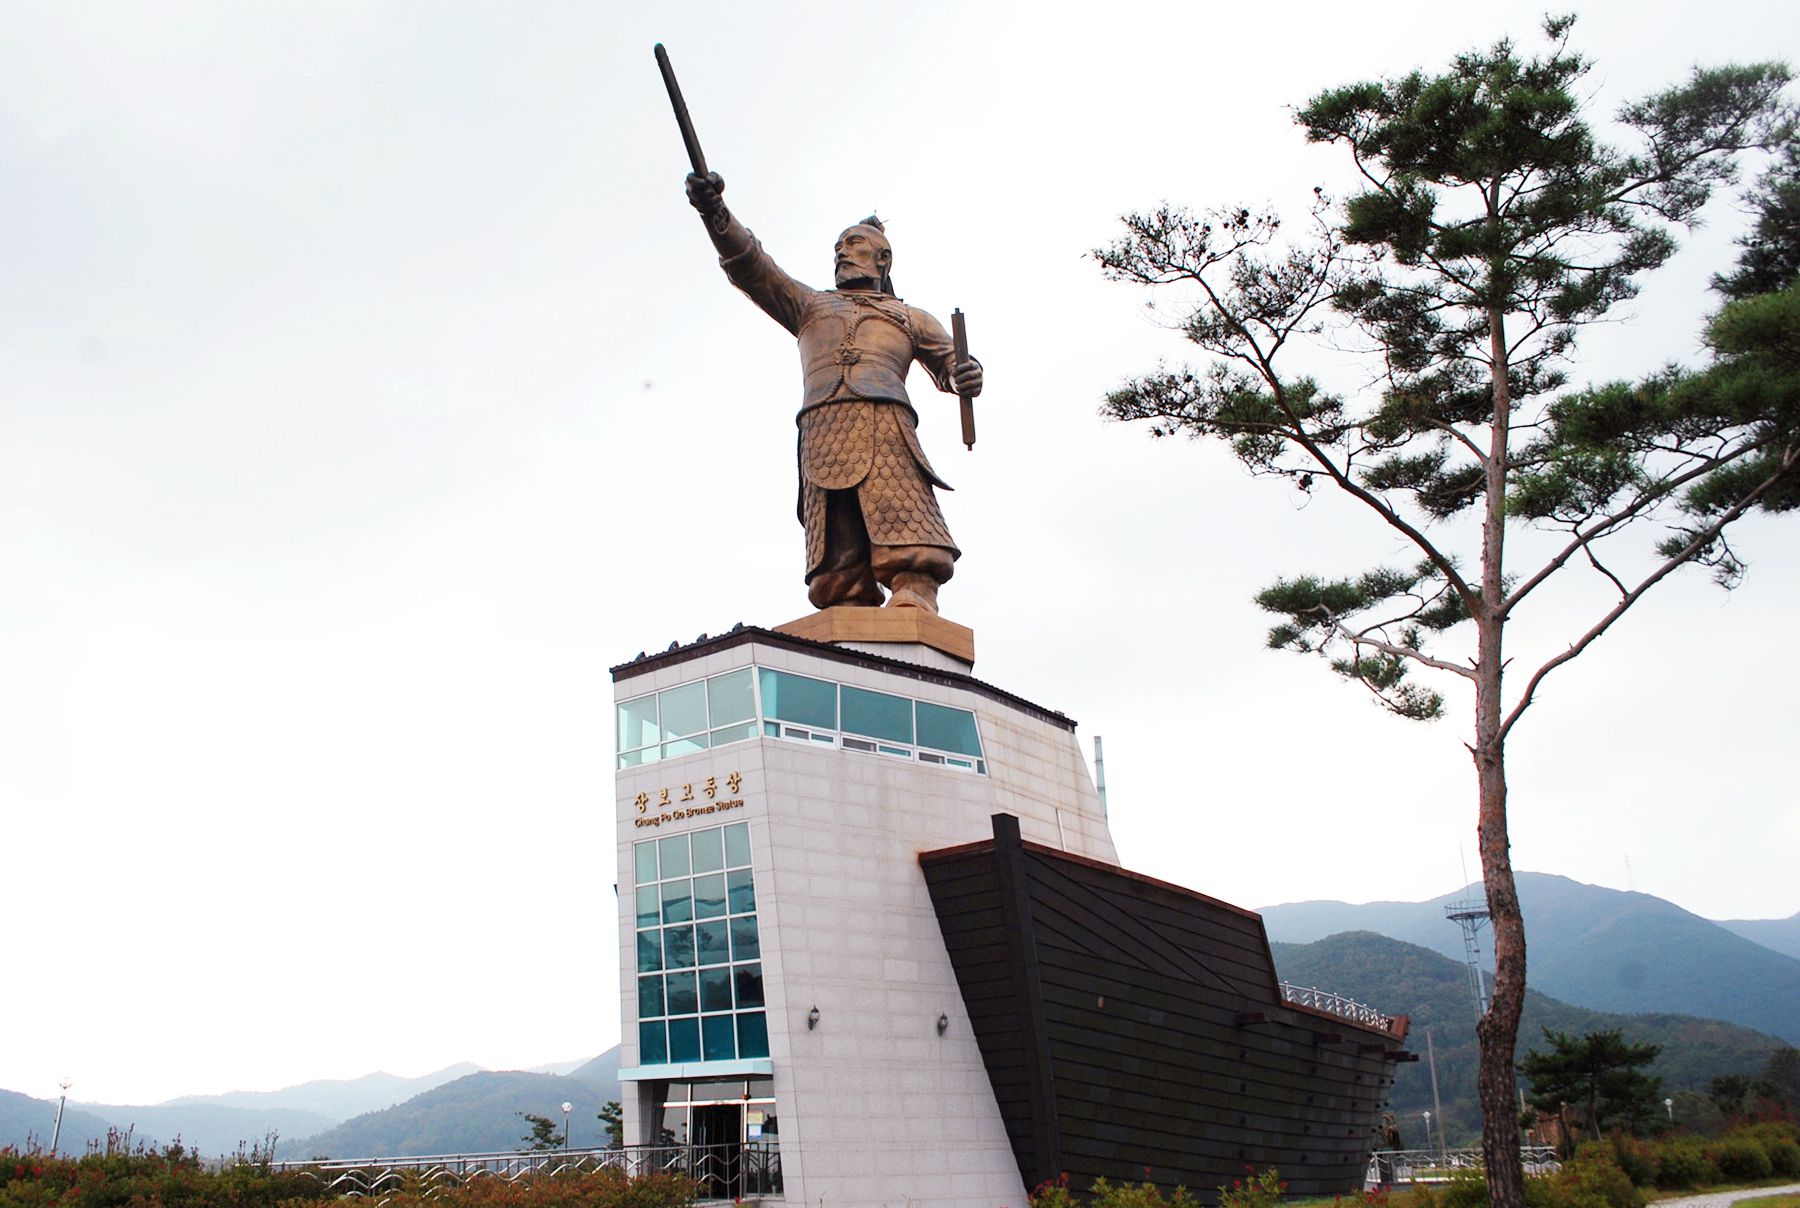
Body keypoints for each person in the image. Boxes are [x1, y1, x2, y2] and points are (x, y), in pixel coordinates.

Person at [685, 170, 982, 614]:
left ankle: (915, 587)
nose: (842, 252)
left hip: (885, 420)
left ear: (882, 259)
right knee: (836, 541)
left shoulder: (909, 317)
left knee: (899, 505)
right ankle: (846, 594)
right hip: (824, 423)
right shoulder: (810, 305)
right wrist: (715, 213)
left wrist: (965, 374)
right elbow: (752, 266)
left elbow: (950, 365)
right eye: (838, 247)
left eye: (853, 243)